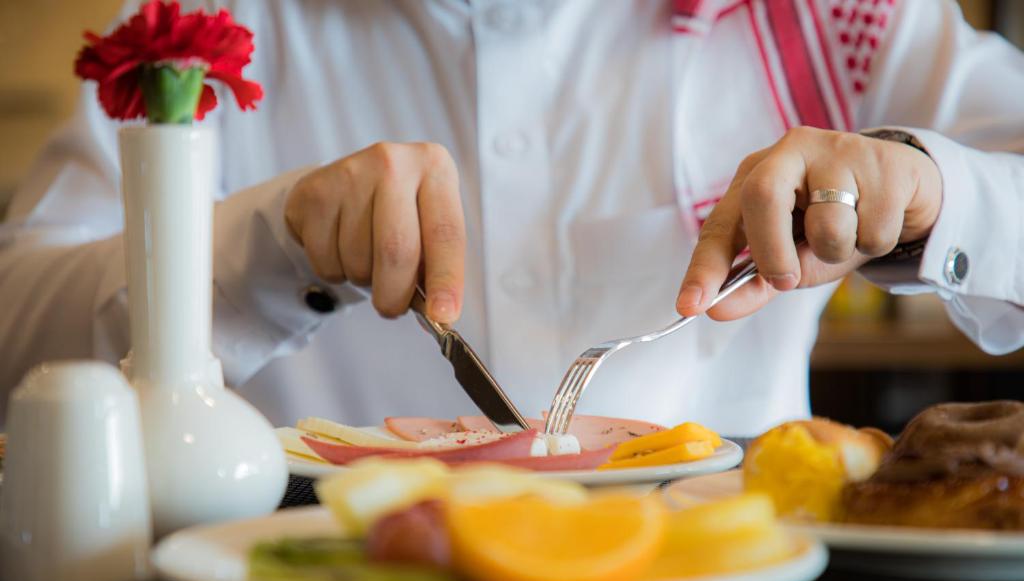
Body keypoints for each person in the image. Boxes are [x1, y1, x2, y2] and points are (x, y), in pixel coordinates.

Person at [1, 0, 1021, 434]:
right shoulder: (216, 28)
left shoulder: (831, 16)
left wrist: (934, 190)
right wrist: (264, 247)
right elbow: (18, 343)